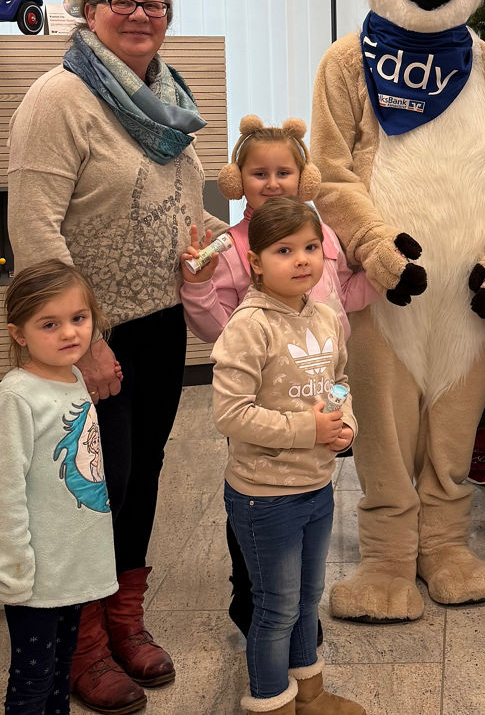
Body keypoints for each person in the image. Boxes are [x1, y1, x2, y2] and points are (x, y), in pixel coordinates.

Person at [8, 0, 227, 711]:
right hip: (85, 337)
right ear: (87, 9)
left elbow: (177, 196)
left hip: (159, 322)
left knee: (143, 475)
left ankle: (124, 615)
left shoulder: (166, 97)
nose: (139, 14)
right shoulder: (60, 98)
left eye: (153, 3)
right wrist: (87, 341)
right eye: (121, 1)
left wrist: (199, 247)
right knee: (94, 488)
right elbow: (34, 229)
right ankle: (83, 640)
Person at [180, 114, 375, 640]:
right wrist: (197, 288)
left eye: (283, 172)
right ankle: (257, 608)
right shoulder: (231, 246)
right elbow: (215, 330)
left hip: (317, 395)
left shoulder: (320, 235)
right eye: (260, 173)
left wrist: (380, 275)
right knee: (259, 515)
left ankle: (298, 614)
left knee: (311, 517)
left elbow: (344, 294)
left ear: (303, 177)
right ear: (236, 181)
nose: (272, 183)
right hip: (264, 414)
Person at [211, 197, 363, 715]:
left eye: (310, 247)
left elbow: (338, 383)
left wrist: (344, 426)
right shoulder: (249, 326)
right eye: (284, 250)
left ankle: (310, 695)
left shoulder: (322, 315)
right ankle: (271, 703)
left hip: (317, 485)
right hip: (265, 496)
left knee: (305, 601)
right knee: (274, 608)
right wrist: (307, 429)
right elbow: (230, 415)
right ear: (255, 262)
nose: (302, 260)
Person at [0, 260, 117, 715]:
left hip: (70, 566)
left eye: (79, 318)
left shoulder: (74, 378)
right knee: (32, 679)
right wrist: (11, 569)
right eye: (50, 324)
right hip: (32, 575)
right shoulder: (15, 398)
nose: (69, 333)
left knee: (60, 668)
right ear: (19, 333)